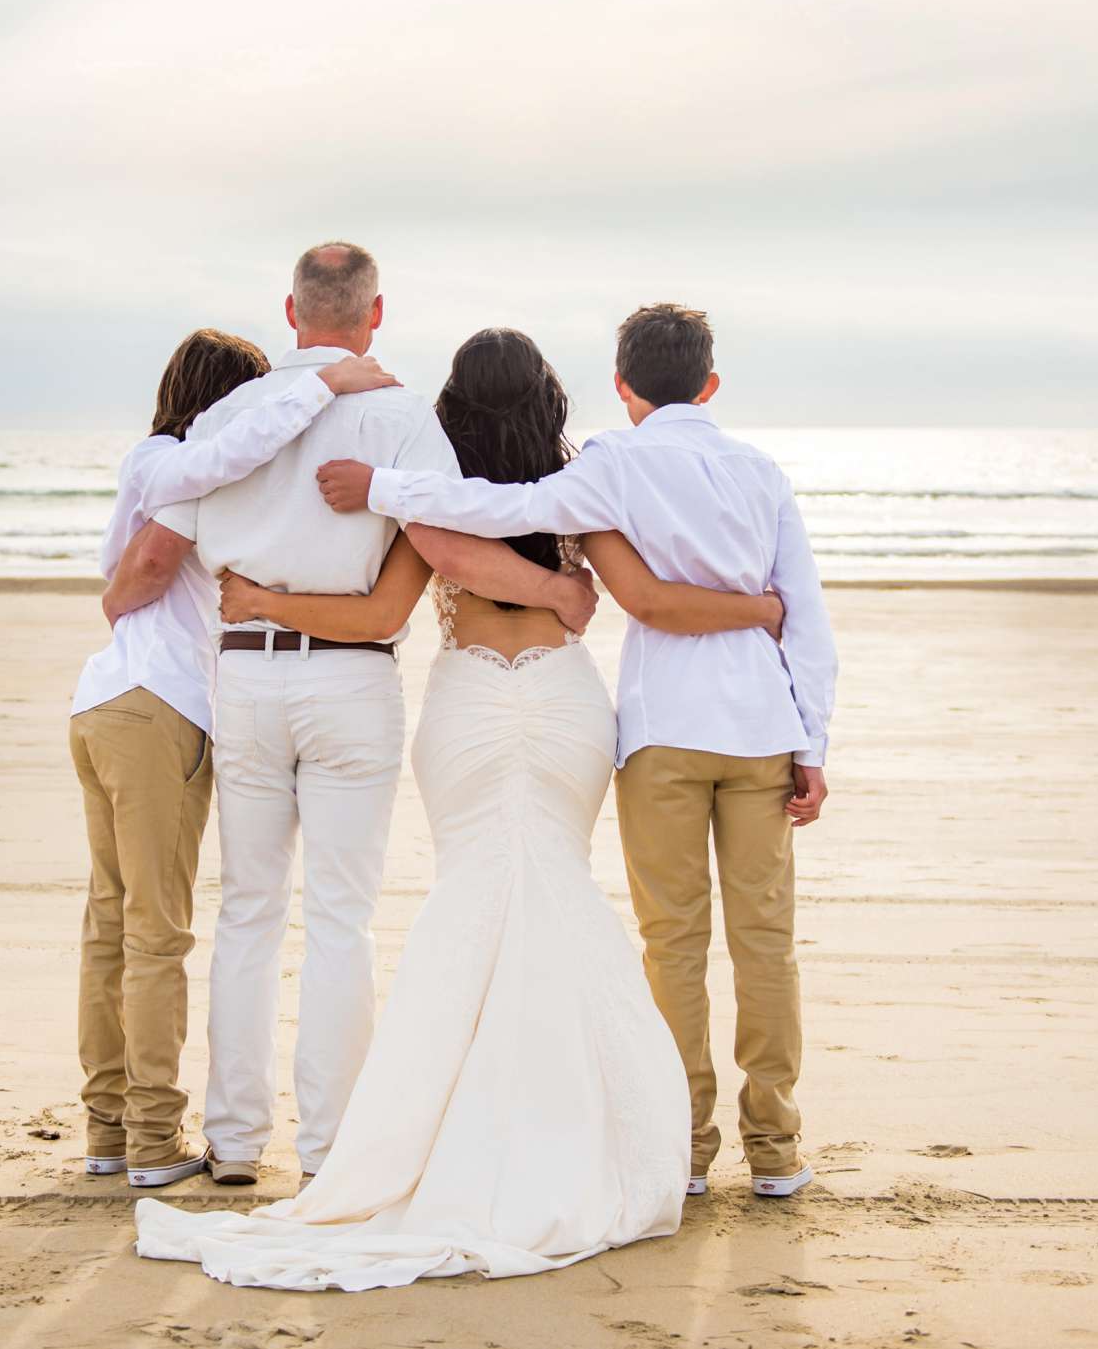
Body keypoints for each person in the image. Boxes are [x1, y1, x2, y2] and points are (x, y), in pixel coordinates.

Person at [133, 326, 787, 1290]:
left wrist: (264, 595)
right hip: (565, 704)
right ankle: (612, 1124)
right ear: (550, 404)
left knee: (475, 894)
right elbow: (626, 590)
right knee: (556, 886)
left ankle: (423, 1126)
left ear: (454, 411)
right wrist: (576, 592)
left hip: (472, 703)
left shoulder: (428, 491)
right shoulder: (581, 487)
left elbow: (391, 607)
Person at [314, 303, 837, 1200]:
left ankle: (687, 1146)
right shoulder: (735, 471)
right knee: (763, 940)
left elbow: (480, 523)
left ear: (626, 384)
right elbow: (782, 615)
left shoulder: (598, 470)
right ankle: (776, 1146)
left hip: (634, 724)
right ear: (708, 384)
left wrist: (379, 486)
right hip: (713, 721)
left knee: (666, 937)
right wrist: (809, 729)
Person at [102, 245, 595, 1186]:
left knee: (247, 913)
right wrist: (556, 587)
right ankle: (329, 1150)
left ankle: (237, 1144)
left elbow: (163, 537)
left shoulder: (229, 416)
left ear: (292, 311)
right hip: (352, 681)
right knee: (340, 918)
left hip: (244, 677)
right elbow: (442, 540)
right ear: (375, 315)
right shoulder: (403, 415)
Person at [70, 329, 398, 1190]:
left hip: (110, 700)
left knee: (114, 922)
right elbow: (147, 562)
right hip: (158, 705)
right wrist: (322, 383)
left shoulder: (172, 462)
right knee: (156, 930)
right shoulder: (179, 462)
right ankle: (146, 1138)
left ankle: (110, 1128)